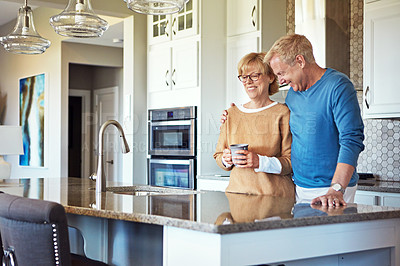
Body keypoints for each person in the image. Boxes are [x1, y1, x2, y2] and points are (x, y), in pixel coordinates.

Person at [221, 34, 364, 206]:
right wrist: (237, 116)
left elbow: (352, 140)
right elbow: (277, 125)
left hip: (331, 190)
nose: (280, 80)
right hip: (299, 188)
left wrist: (337, 189)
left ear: (300, 61)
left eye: (281, 73)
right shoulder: (293, 95)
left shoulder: (338, 86)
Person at [213, 52, 294, 198]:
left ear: (270, 77)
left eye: (255, 75)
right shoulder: (231, 114)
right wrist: (226, 159)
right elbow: (218, 156)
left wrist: (260, 161)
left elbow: (290, 163)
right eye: (244, 77)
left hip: (273, 199)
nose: (248, 81)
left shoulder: (283, 113)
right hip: (237, 197)